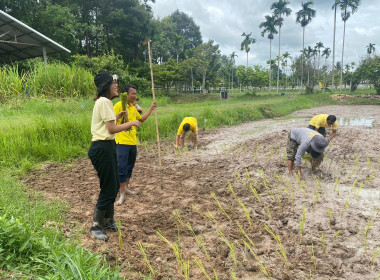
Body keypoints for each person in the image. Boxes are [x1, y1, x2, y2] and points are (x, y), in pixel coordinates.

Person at [88, 72, 141, 241]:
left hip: (107, 146)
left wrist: (118, 118)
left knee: (114, 184)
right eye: (113, 83)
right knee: (109, 187)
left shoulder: (106, 102)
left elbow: (108, 124)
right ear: (106, 86)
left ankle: (109, 220)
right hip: (102, 147)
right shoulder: (104, 101)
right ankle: (96, 225)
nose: (117, 86)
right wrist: (131, 123)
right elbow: (111, 130)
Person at [114, 85, 157, 206]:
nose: (135, 96)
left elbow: (141, 119)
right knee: (121, 168)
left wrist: (151, 109)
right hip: (122, 142)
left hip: (133, 142)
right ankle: (121, 193)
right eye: (132, 93)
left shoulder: (133, 108)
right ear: (125, 94)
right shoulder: (119, 106)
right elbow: (111, 121)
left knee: (129, 167)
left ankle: (126, 187)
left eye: (135, 93)